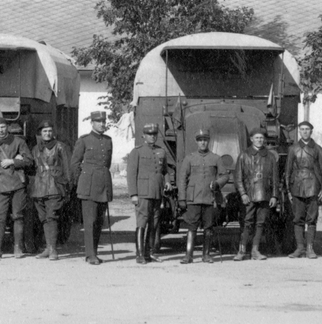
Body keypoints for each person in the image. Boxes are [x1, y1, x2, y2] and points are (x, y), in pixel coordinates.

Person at [125, 123, 174, 264]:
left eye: (154, 134)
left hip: (157, 193)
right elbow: (131, 174)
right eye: (149, 134)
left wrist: (168, 181)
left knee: (154, 224)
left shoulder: (161, 151)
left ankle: (149, 252)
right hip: (143, 193)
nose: (152, 137)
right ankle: (139, 254)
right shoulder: (137, 152)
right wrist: (133, 194)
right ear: (144, 136)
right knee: (142, 222)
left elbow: (164, 171)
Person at [0, 119, 35, 259]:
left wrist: (12, 161)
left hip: (17, 184)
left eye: (3, 127)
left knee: (18, 216)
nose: (1, 130)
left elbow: (29, 160)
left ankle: (18, 248)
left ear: (7, 127)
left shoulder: (19, 142)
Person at [71, 111, 115, 265]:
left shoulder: (108, 141)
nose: (102, 124)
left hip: (103, 184)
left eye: (104, 121)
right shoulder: (84, 140)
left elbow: (107, 164)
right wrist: (81, 181)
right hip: (88, 186)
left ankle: (94, 252)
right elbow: (75, 163)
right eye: (98, 121)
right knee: (89, 221)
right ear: (92, 123)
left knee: (98, 222)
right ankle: (90, 255)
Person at [176, 129, 225, 264]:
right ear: (196, 141)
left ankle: (206, 255)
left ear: (209, 141)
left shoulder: (216, 158)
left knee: (208, 227)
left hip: (209, 198)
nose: (203, 142)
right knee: (192, 226)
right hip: (193, 198)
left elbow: (224, 175)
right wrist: (182, 198)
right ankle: (188, 255)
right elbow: (182, 179)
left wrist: (217, 183)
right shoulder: (189, 158)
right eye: (200, 140)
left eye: (205, 140)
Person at [285, 120, 322, 259]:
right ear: (299, 131)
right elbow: (288, 170)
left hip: (313, 186)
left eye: (307, 129)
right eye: (302, 129)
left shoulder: (318, 149)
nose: (304, 132)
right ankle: (300, 248)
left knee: (312, 219)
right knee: (298, 219)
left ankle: (310, 248)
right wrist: (288, 190)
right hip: (297, 186)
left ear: (311, 131)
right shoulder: (293, 149)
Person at [235, 130, 280, 260]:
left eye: (261, 138)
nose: (259, 140)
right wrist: (243, 194)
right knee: (246, 222)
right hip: (249, 195)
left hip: (264, 195)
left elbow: (275, 179)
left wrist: (274, 196)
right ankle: (242, 251)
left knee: (260, 223)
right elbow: (238, 177)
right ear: (251, 139)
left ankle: (255, 250)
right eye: (257, 138)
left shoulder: (270, 156)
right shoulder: (243, 155)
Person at [29, 122, 71, 260]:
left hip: (55, 186)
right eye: (44, 131)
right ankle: (48, 248)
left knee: (52, 216)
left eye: (49, 131)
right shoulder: (36, 149)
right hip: (39, 187)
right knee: (44, 218)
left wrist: (67, 186)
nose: (47, 133)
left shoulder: (60, 146)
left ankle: (53, 250)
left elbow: (67, 168)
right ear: (40, 134)